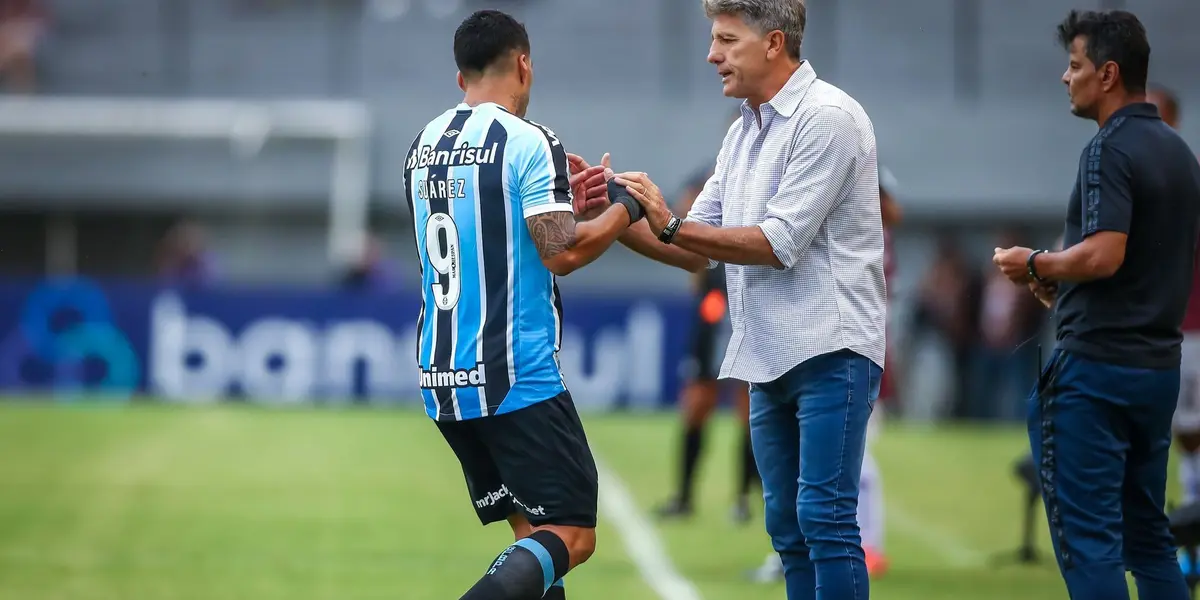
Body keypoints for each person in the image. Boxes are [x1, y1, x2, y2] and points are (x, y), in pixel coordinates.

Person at [574, 1, 886, 597]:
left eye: (726, 40)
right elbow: (695, 249)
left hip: (831, 350)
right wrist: (611, 212)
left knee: (824, 521)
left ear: (774, 43)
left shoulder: (828, 117)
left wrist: (669, 222)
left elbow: (778, 242)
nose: (711, 55)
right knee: (788, 528)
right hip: (768, 354)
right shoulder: (745, 130)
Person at [404, 10, 644, 600]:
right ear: (524, 64)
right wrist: (627, 207)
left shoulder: (423, 145)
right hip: (514, 374)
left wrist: (560, 205)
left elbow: (487, 229)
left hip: (443, 375)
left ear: (460, 77)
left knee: (533, 541)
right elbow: (563, 253)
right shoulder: (528, 140)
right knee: (573, 533)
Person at [992, 10, 1200, 600]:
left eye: (1075, 65)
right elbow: (1143, 265)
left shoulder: (1108, 150)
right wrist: (1066, 284)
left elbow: (1106, 254)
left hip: (1096, 373)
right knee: (1150, 541)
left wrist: (1036, 263)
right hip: (1155, 369)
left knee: (1090, 546)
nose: (1066, 77)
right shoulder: (1180, 154)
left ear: (1107, 74)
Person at [654, 115, 759, 525]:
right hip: (715, 303)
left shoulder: (773, 177)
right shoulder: (712, 177)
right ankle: (684, 496)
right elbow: (681, 217)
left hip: (753, 299)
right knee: (698, 400)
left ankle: (744, 498)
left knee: (749, 404)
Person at [1148, 85, 1200, 506]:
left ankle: (1192, 502)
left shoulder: (1188, 178)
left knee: (1190, 426)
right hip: (1144, 328)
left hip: (1190, 326)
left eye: (1155, 114)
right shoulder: (1124, 177)